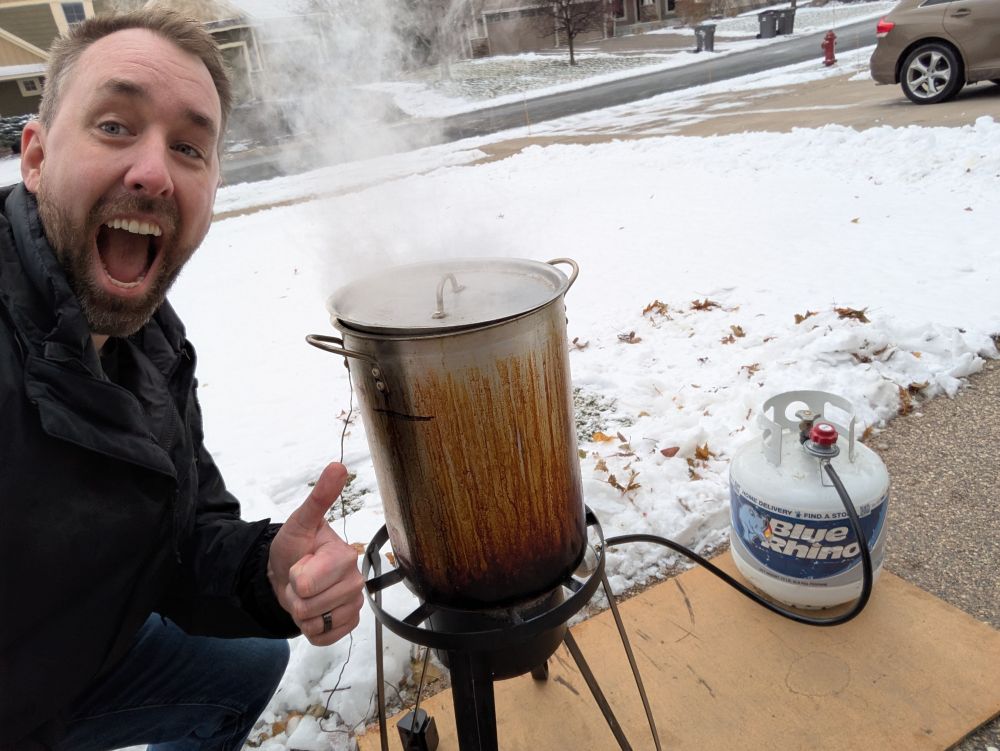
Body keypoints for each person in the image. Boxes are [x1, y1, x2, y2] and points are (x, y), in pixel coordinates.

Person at [0, 9, 365, 749]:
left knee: (247, 662)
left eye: (190, 147)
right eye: (114, 126)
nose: (155, 172)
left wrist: (270, 569)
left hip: (81, 659)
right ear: (35, 157)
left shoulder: (150, 339)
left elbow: (185, 538)